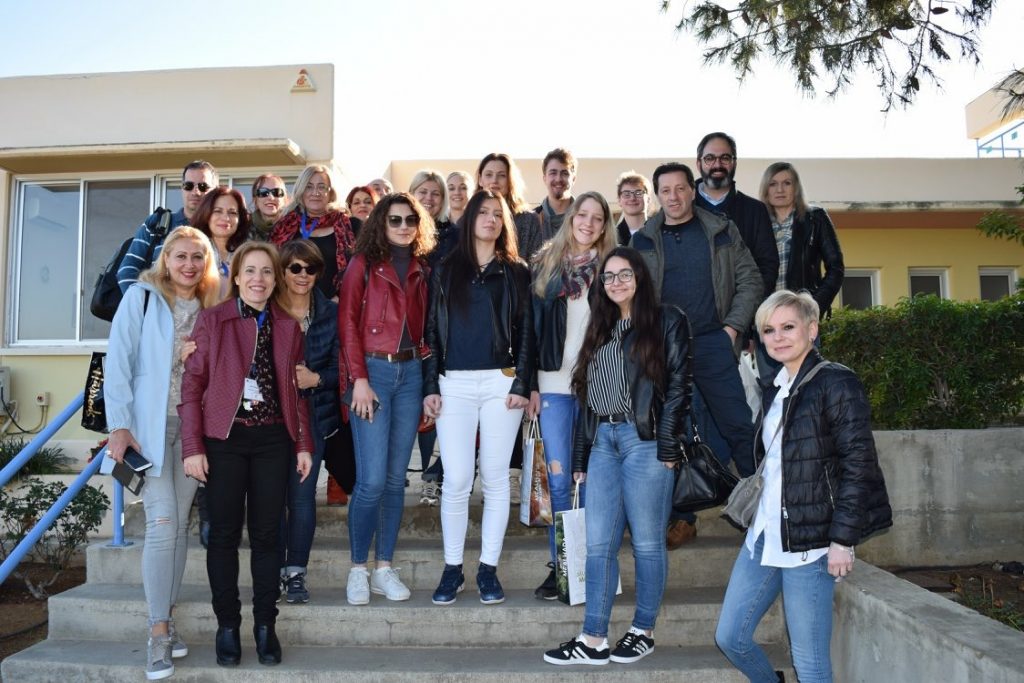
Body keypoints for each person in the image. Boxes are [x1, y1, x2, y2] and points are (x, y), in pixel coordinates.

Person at [715, 290, 891, 683]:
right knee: (730, 637)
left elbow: (859, 465)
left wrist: (842, 540)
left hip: (811, 542)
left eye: (788, 327)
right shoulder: (775, 387)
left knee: (810, 664)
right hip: (764, 534)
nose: (777, 337)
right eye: (768, 330)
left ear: (812, 330)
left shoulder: (836, 382)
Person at [543, 247, 690, 666]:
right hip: (603, 443)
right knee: (598, 546)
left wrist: (668, 442)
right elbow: (586, 398)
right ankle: (593, 639)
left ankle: (643, 631)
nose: (616, 282)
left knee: (647, 543)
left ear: (640, 277)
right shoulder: (600, 328)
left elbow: (679, 384)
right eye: (608, 276)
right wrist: (580, 457)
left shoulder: (666, 320)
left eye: (625, 274)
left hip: (645, 441)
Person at [180, 241, 313, 668]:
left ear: (276, 280)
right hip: (225, 441)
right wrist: (193, 447)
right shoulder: (213, 320)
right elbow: (192, 387)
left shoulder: (288, 326)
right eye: (250, 271)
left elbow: (295, 392)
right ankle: (227, 626)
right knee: (222, 535)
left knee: (268, 536)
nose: (259, 279)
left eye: (267, 272)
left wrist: (303, 444)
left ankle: (265, 625)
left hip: (273, 440)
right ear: (236, 277)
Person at [101, 226, 221, 680]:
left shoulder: (212, 304)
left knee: (180, 525)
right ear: (165, 259)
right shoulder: (142, 297)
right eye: (181, 256)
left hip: (193, 429)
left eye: (197, 257)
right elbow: (119, 362)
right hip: (148, 430)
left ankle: (166, 618)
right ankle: (157, 632)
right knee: (164, 522)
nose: (189, 265)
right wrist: (119, 426)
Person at [630, 162, 762, 547]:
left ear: (693, 189)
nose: (673, 197)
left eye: (680, 188)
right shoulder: (643, 240)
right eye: (665, 190)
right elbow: (632, 296)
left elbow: (751, 280)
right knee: (672, 433)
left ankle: (764, 511)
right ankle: (681, 519)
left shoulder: (721, 230)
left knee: (738, 426)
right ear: (658, 196)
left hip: (712, 343)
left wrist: (731, 329)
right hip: (666, 349)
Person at [422, 189, 534, 606]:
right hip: (453, 383)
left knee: (495, 477)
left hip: (501, 383)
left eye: (497, 214)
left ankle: (488, 568)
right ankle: (452, 568)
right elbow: (431, 331)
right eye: (483, 212)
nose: (490, 219)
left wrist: (522, 383)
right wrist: (430, 385)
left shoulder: (516, 271)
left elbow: (527, 331)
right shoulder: (445, 269)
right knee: (455, 479)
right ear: (469, 219)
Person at [338, 193, 435, 605]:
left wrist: (428, 386)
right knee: (372, 480)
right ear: (381, 222)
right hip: (373, 372)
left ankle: (383, 567)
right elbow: (347, 324)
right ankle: (358, 568)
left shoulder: (422, 269)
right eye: (395, 219)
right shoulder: (362, 264)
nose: (403, 226)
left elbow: (429, 332)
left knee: (396, 480)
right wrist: (358, 379)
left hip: (410, 374)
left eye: (411, 220)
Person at [528, 191, 618, 600]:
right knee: (559, 480)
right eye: (583, 214)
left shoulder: (614, 268)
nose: (588, 223)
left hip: (598, 387)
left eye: (598, 218)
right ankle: (563, 566)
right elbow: (529, 331)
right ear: (572, 218)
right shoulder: (545, 264)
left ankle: (594, 567)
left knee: (595, 480)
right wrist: (528, 384)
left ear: (605, 226)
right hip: (552, 386)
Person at [275, 240, 341, 604]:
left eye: (311, 269)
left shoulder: (330, 314)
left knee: (302, 498)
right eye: (295, 268)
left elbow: (341, 369)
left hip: (314, 416)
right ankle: (273, 569)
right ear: (283, 271)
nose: (303, 275)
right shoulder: (267, 309)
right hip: (270, 418)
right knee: (272, 497)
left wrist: (316, 379)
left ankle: (296, 571)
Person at [409, 169, 456, 503]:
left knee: (436, 401)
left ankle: (432, 475)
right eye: (422, 192)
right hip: (405, 330)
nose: (429, 198)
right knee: (415, 403)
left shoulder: (453, 236)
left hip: (440, 329)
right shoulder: (400, 229)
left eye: (435, 193)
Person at [694, 132, 779, 299]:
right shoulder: (682, 209)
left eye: (725, 158)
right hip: (692, 311)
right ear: (698, 163)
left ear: (734, 163)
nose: (717, 164)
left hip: (744, 309)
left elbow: (767, 267)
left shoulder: (755, 211)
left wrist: (747, 307)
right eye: (710, 158)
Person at [759, 162, 845, 318]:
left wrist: (814, 306)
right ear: (766, 189)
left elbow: (836, 268)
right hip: (764, 315)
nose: (780, 190)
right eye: (773, 184)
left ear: (796, 188)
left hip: (802, 316)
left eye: (787, 183)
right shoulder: (756, 222)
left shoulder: (815, 218)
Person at [118, 160, 217, 292]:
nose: (196, 192)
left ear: (215, 191)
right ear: (182, 189)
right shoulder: (157, 223)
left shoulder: (222, 229)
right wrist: (142, 302)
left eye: (203, 186)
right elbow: (127, 270)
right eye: (188, 186)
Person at [270, 165, 358, 301]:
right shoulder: (284, 226)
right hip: (290, 305)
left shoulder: (350, 226)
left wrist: (339, 298)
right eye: (309, 187)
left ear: (331, 193)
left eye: (322, 187)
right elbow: (272, 267)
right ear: (301, 190)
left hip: (335, 307)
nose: (315, 192)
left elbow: (359, 271)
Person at [477, 152, 547, 260]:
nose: (494, 180)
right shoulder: (469, 218)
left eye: (502, 175)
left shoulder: (529, 220)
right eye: (489, 175)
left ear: (510, 180)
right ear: (480, 180)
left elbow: (536, 264)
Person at [190, 187, 251, 299]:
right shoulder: (191, 249)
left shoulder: (248, 254)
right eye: (218, 211)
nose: (226, 218)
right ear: (206, 214)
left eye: (232, 212)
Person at [535, 148, 577, 234]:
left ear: (573, 179)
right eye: (553, 173)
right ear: (545, 178)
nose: (558, 179)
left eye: (565, 173)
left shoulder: (585, 221)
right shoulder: (530, 221)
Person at [615, 171, 652, 246]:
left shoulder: (662, 233)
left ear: (648, 199)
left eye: (638, 193)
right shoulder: (612, 238)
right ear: (619, 200)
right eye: (626, 194)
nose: (632, 198)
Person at [249, 174, 288, 241]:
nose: (271, 198)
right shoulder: (243, 230)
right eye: (263, 192)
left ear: (285, 199)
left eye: (276, 192)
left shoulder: (298, 228)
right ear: (255, 199)